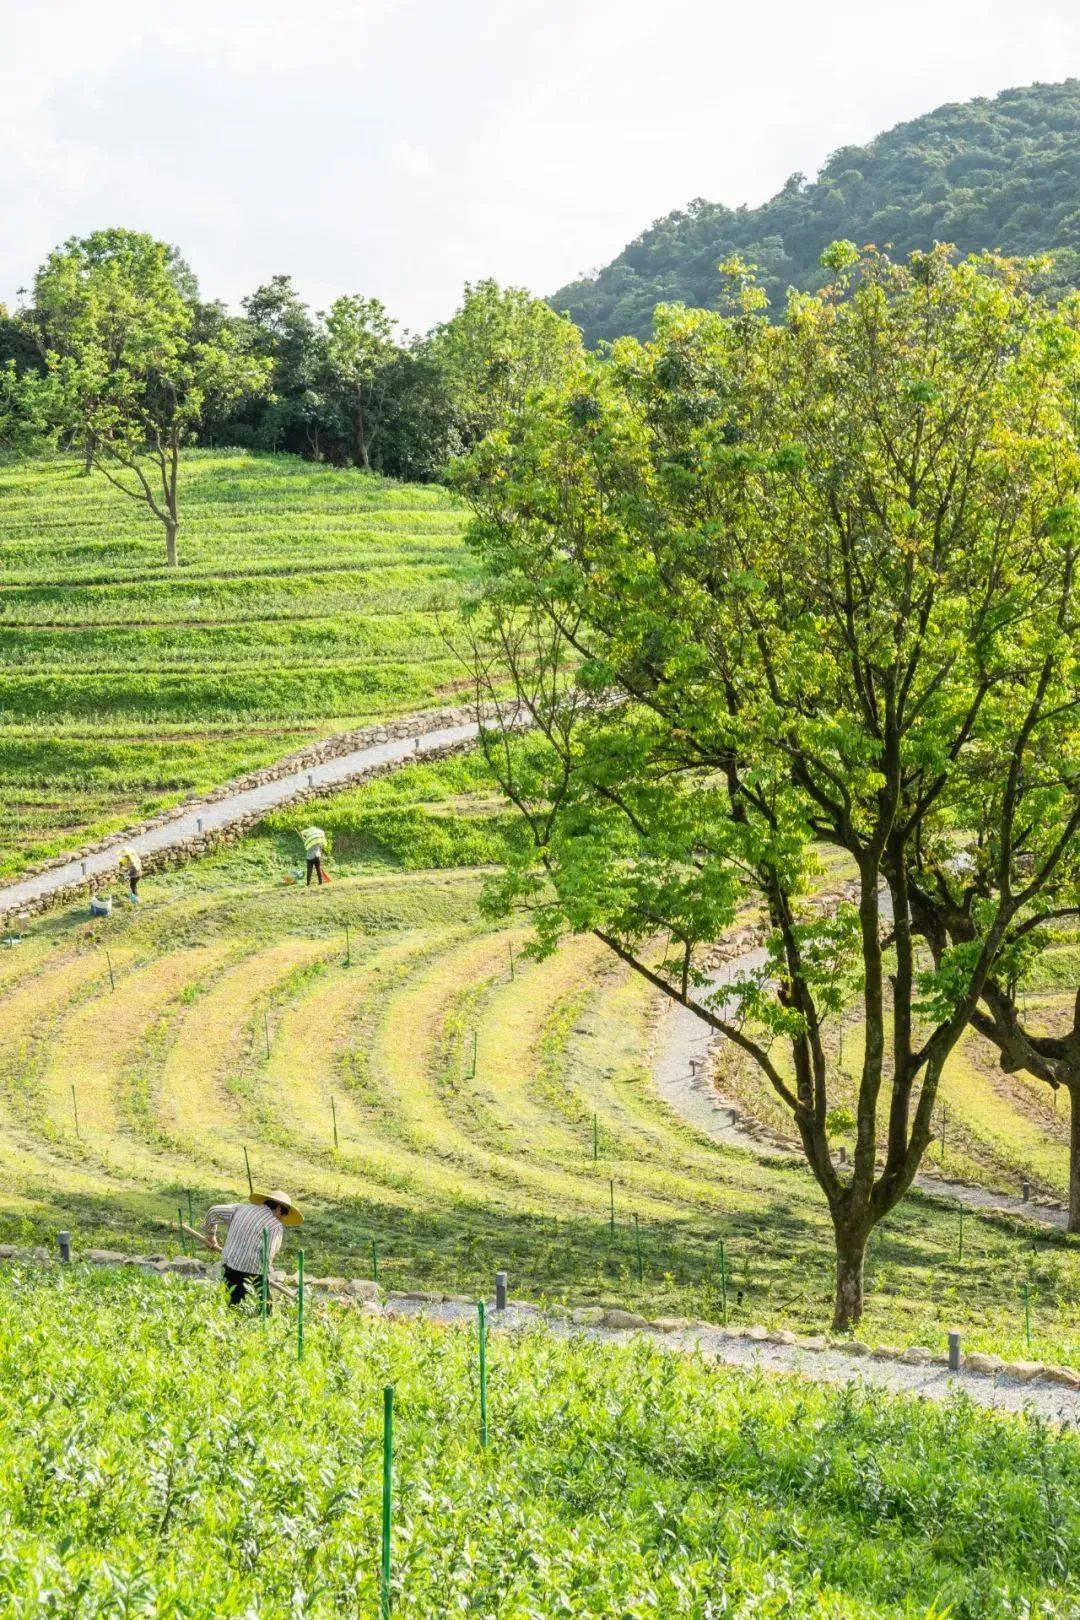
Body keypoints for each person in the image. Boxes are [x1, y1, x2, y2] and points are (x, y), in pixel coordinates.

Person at [203, 1188, 303, 1309]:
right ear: (278, 1208)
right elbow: (267, 1254)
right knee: (265, 1308)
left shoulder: (241, 1208)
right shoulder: (275, 1226)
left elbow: (213, 1211)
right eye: (285, 1213)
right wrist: (268, 1271)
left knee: (233, 1304)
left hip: (229, 1264)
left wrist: (210, 1235)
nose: (283, 1217)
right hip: (252, 1271)